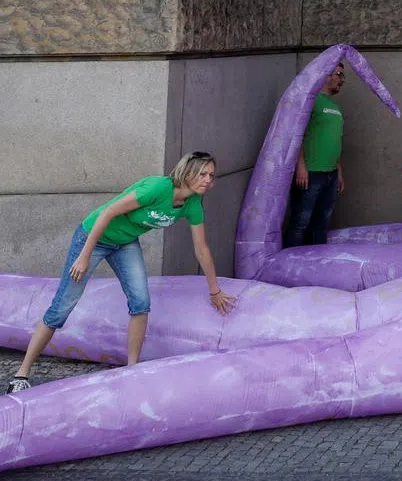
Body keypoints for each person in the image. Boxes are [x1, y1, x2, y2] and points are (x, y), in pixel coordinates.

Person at [6, 152, 236, 393]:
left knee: (140, 302)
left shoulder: (192, 204)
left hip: (125, 243)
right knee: (62, 306)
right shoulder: (158, 188)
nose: (208, 179)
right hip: (92, 237)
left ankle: (132, 370)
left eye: (211, 175)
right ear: (187, 171)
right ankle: (21, 374)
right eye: (203, 173)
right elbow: (107, 213)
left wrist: (215, 291)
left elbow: (202, 249)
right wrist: (84, 256)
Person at [284, 62, 346, 247]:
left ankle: (315, 265)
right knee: (300, 223)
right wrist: (300, 165)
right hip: (310, 173)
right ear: (326, 75)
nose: (342, 80)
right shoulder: (310, 101)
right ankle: (290, 264)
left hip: (331, 174)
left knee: (322, 223)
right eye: (339, 74)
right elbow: (296, 135)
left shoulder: (336, 107)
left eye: (343, 76)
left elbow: (335, 141)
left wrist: (339, 171)